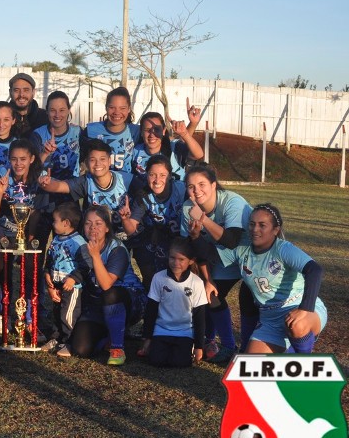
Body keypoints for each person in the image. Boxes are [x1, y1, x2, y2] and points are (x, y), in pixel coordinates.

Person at [220, 204, 328, 354]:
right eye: (252, 224)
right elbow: (208, 254)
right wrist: (195, 235)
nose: (255, 229)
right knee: (253, 369)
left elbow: (315, 270)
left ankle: (302, 358)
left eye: (262, 225)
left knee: (297, 325)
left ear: (275, 230)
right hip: (270, 320)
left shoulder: (283, 249)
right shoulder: (242, 250)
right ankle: (289, 350)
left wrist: (305, 309)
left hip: (299, 308)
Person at [182, 164, 254, 362]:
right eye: (191, 186)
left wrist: (203, 220)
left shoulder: (232, 202)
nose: (197, 190)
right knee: (211, 295)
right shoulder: (187, 208)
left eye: (202, 184)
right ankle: (227, 346)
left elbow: (231, 240)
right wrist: (208, 279)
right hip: (220, 258)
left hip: (250, 257)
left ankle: (247, 351)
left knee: (249, 298)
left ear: (214, 185)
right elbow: (195, 248)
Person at [67, 206, 145, 365]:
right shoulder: (81, 246)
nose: (93, 227)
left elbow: (106, 284)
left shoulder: (117, 249)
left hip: (128, 300)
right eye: (88, 223)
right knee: (81, 349)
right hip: (98, 303)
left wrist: (95, 255)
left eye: (98, 223)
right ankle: (109, 334)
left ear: (108, 227)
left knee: (110, 294)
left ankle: (118, 348)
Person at [39, 139, 144, 242]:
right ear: (86, 163)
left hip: (129, 238)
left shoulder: (129, 181)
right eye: (93, 160)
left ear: (109, 161)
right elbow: (59, 186)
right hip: (98, 239)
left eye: (102, 159)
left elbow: (132, 227)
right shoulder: (86, 181)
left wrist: (126, 219)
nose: (98, 164)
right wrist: (45, 183)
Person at [139, 237, 208, 367]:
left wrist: (199, 346)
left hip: (185, 331)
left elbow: (199, 316)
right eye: (172, 258)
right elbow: (151, 310)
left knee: (180, 363)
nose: (176, 263)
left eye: (181, 259)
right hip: (161, 330)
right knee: (155, 361)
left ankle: (188, 348)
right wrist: (147, 338)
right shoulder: (159, 278)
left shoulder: (197, 282)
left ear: (190, 261)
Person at [131, 155, 188, 290]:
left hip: (182, 239)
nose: (157, 180)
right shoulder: (144, 195)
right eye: (152, 175)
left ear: (170, 176)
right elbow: (133, 225)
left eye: (162, 175)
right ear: (146, 175)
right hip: (155, 237)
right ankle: (150, 302)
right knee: (150, 276)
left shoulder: (182, 190)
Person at [42, 202, 88, 357]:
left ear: (66, 223)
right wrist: (47, 274)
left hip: (72, 288)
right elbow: (50, 260)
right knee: (56, 313)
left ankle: (70, 341)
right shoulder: (55, 240)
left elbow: (85, 266)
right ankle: (57, 338)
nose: (52, 224)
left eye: (55, 221)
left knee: (67, 315)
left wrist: (73, 279)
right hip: (57, 285)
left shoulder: (79, 242)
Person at [131, 110, 203, 181]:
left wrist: (184, 133)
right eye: (147, 130)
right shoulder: (135, 152)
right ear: (141, 132)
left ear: (163, 131)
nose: (152, 134)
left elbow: (198, 154)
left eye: (157, 129)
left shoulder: (173, 148)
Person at [32, 91, 82, 183]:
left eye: (62, 110)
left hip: (69, 192)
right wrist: (45, 153)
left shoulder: (78, 132)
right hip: (44, 192)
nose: (57, 115)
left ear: (69, 110)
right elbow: (31, 169)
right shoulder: (37, 135)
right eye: (53, 110)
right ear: (46, 111)